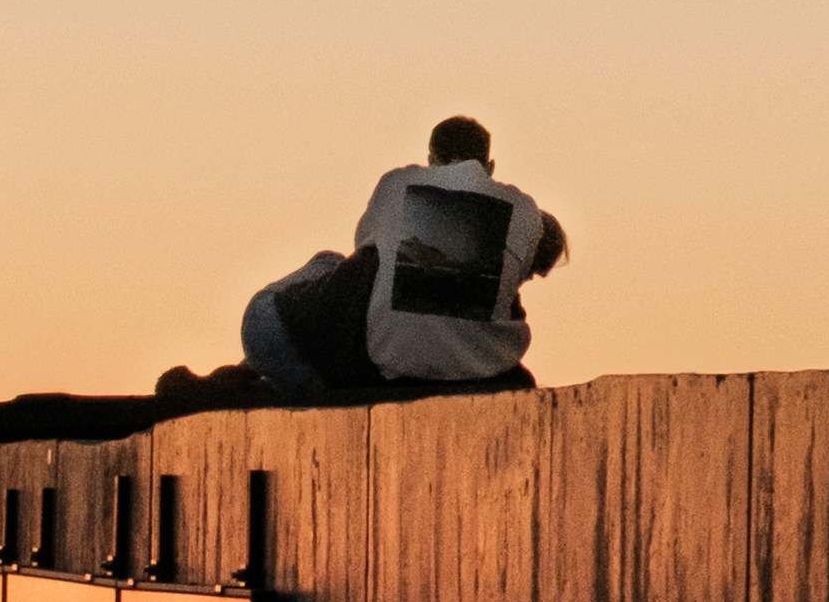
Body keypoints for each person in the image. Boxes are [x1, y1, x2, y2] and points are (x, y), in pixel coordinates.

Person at [210, 117, 570, 400]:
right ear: (489, 166)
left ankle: (264, 379)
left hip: (285, 337)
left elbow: (368, 252)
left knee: (331, 261)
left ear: (431, 160)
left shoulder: (398, 183)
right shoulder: (523, 210)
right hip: (435, 374)